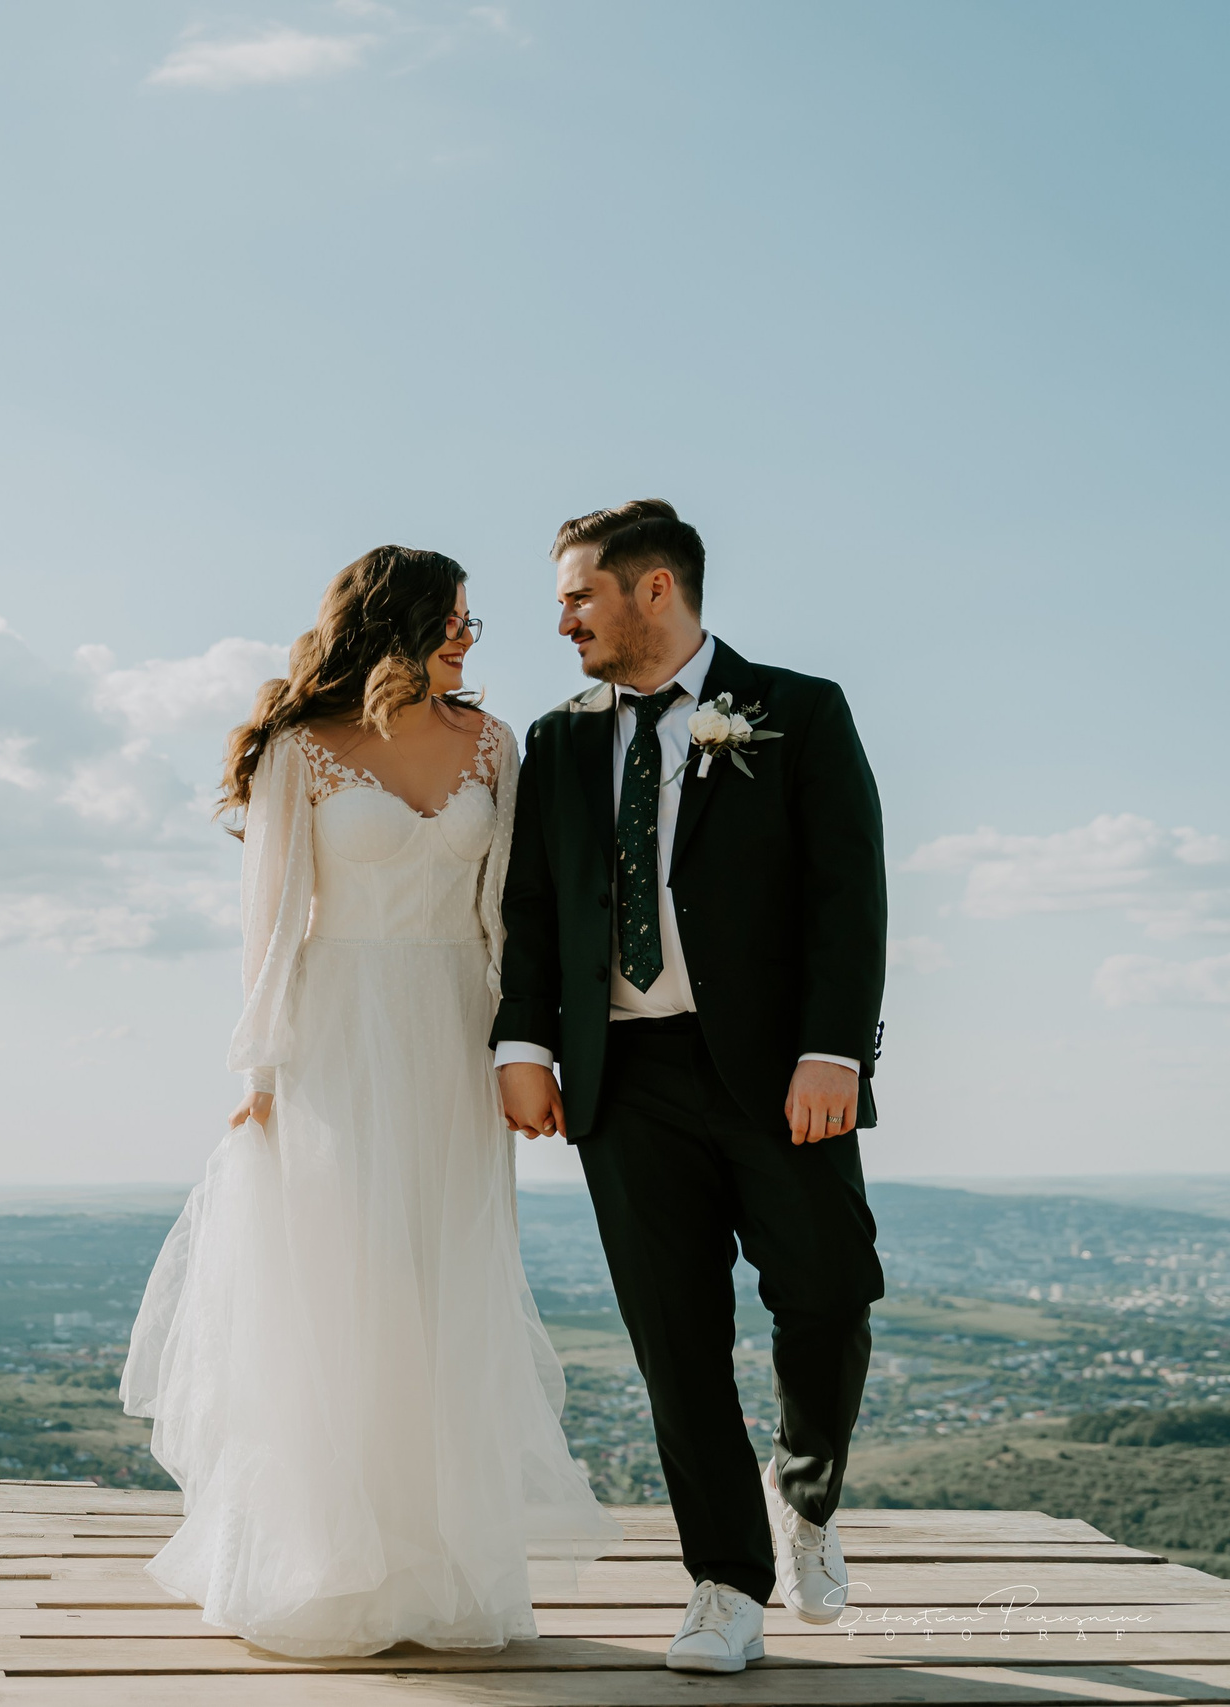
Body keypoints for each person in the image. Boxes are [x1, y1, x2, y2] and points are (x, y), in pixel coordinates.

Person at [122, 545, 618, 1658]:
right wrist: (257, 1075)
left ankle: (440, 1577)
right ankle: (325, 1567)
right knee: (343, 1289)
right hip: (334, 1033)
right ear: (387, 622)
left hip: (452, 1030)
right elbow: (271, 920)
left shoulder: (494, 744)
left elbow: (510, 913)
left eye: (471, 619)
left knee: (444, 1289)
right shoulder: (299, 751)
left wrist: (516, 1048)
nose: (468, 635)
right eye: (449, 617)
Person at [492, 500, 886, 1675]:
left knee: (825, 1292)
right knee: (675, 1338)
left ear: (652, 589)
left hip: (777, 1072)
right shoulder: (558, 741)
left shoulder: (798, 710)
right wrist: (523, 1046)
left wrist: (835, 1050)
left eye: (576, 596)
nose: (559, 618)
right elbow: (529, 907)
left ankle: (804, 1493)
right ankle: (724, 1584)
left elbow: (847, 891)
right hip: (624, 1075)